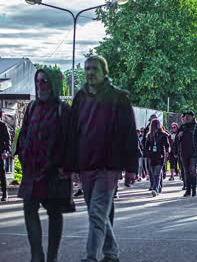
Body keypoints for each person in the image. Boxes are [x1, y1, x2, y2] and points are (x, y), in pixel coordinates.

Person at [67, 55, 139, 262]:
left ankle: (91, 257)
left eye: (94, 69)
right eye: (87, 68)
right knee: (96, 211)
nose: (90, 72)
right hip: (86, 163)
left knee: (97, 212)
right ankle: (111, 253)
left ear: (104, 72)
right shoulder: (80, 98)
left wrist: (131, 168)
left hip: (109, 165)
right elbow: (73, 132)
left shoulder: (119, 97)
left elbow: (129, 134)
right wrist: (70, 165)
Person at [16, 68, 72, 262]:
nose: (40, 85)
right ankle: (37, 255)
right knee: (29, 210)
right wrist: (23, 155)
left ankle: (52, 257)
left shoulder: (62, 108)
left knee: (54, 214)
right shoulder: (31, 107)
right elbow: (23, 134)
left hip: (54, 171)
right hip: (32, 170)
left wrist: (66, 166)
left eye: (45, 81)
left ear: (53, 84)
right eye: (38, 81)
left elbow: (71, 140)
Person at [145, 119, 170, 197]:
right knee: (152, 173)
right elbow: (146, 146)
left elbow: (167, 145)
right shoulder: (149, 135)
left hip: (160, 156)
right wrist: (147, 153)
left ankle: (155, 189)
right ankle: (158, 187)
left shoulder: (163, 134)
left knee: (157, 173)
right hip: (152, 156)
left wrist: (166, 152)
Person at [177, 111, 197, 197]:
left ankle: (194, 190)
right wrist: (179, 136)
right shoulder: (182, 127)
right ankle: (188, 190)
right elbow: (176, 141)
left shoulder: (196, 127)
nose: (187, 117)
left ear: (193, 117)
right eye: (186, 116)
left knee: (193, 170)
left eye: (189, 116)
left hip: (193, 153)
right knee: (186, 172)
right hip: (184, 153)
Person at [0, 109, 10, 202]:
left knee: (1, 173)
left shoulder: (3, 126)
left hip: (1, 152)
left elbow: (7, 140)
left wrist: (6, 151)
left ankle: (4, 192)